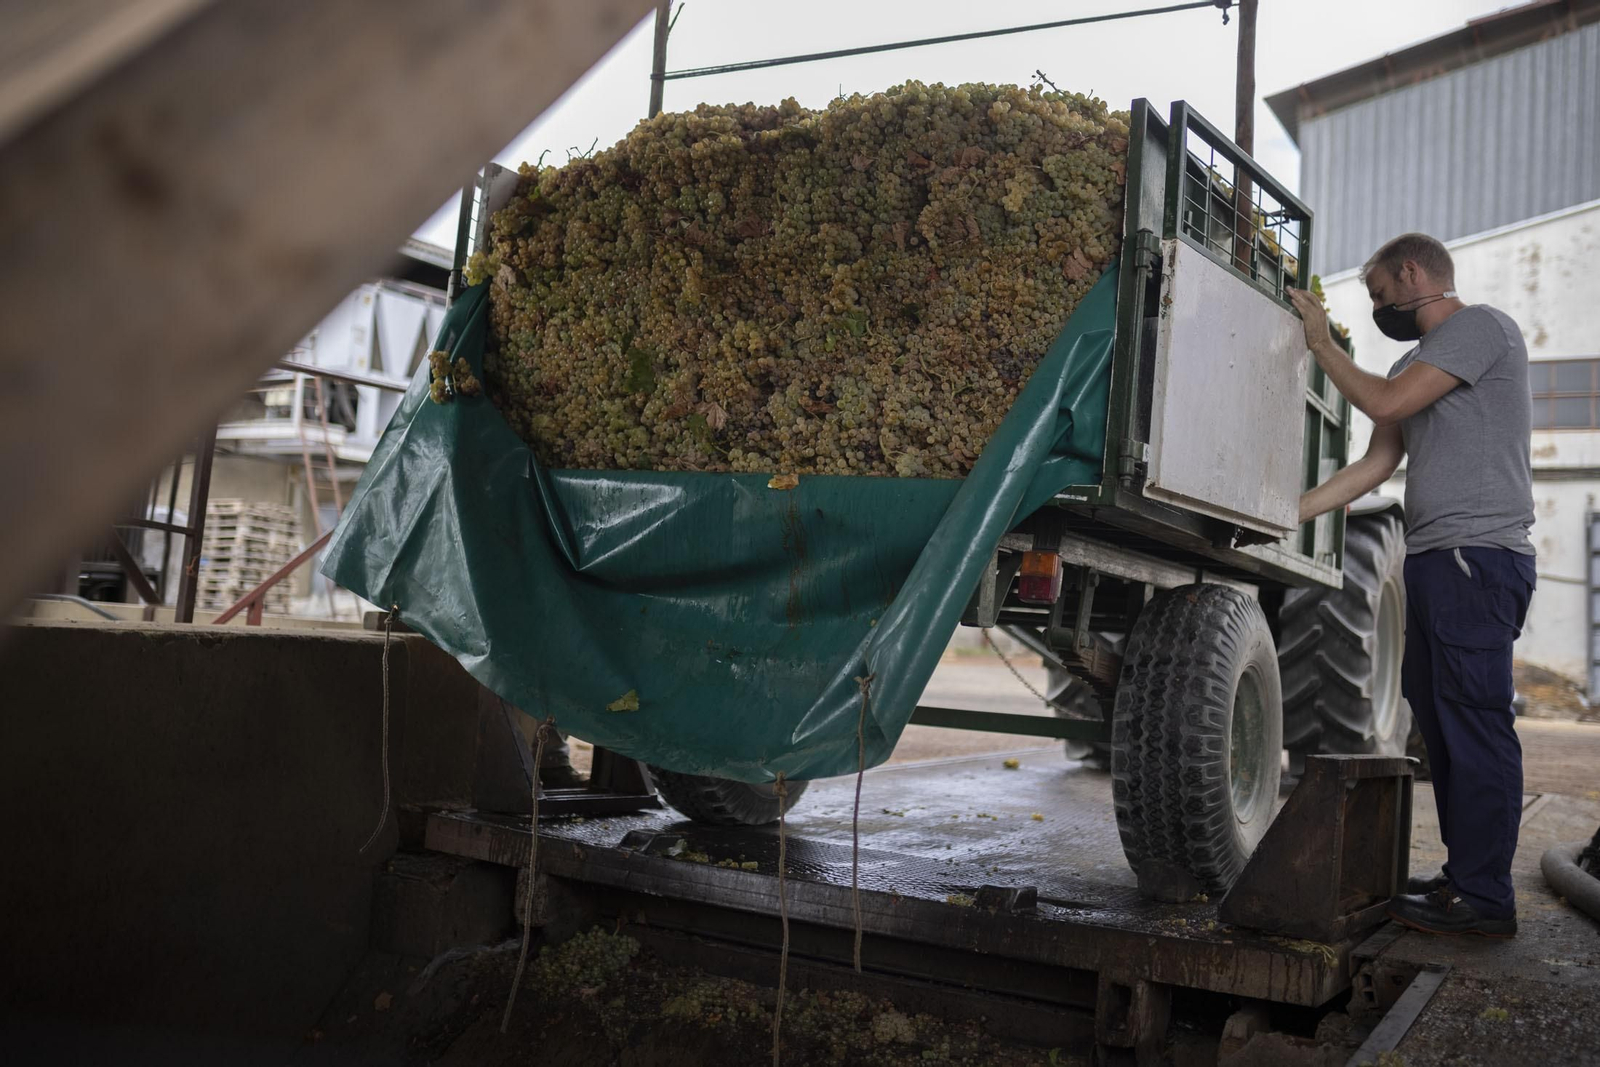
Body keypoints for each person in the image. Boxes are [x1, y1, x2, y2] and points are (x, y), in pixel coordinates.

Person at [1286, 232, 1536, 938]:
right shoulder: (1410, 362)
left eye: (1379, 294)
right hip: (1431, 559)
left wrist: (1321, 345)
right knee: (1443, 727)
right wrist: (1290, 511)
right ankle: (1467, 877)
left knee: (1476, 725)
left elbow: (1388, 402)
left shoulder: (1481, 328)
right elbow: (1376, 465)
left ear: (1412, 271)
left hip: (1477, 557)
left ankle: (1487, 896)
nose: (1378, 307)